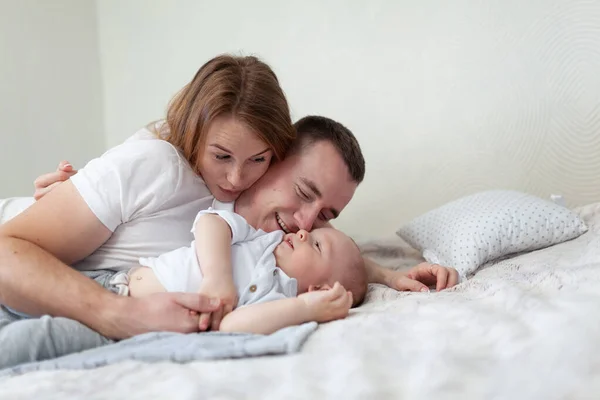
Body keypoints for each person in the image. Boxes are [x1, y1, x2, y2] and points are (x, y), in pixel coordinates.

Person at [0, 54, 458, 349]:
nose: (305, 222)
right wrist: (121, 316)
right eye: (303, 194)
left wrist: (385, 274)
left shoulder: (269, 220)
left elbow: (327, 251)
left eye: (325, 217)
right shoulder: (158, 168)